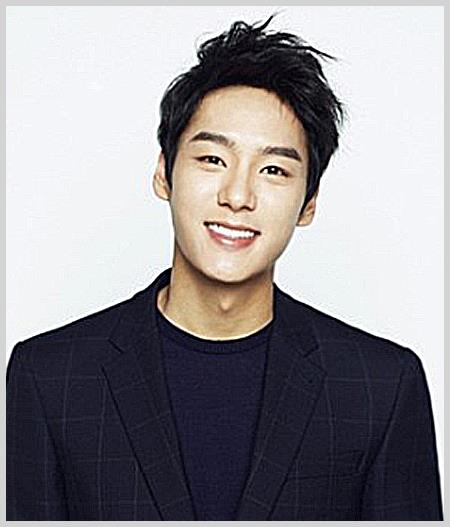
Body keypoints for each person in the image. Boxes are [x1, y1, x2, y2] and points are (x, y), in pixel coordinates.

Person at [6, 16, 443, 521]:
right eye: (213, 159)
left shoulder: (381, 388)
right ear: (164, 173)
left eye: (274, 169)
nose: (238, 196)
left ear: (309, 203)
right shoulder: (50, 378)